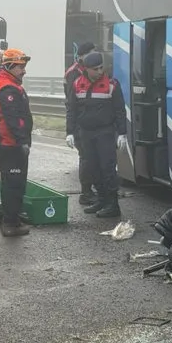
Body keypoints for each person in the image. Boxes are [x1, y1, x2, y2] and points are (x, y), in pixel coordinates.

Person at [66, 51, 127, 218]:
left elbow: (120, 110)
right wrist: (70, 132)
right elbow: (71, 109)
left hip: (105, 132)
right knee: (92, 167)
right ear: (87, 69)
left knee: (107, 168)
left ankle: (112, 204)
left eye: (101, 67)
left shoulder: (112, 84)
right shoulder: (78, 84)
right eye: (96, 69)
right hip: (85, 132)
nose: (100, 71)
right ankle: (101, 199)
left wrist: (122, 133)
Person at [0, 48, 33, 237]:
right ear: (9, 67)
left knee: (12, 182)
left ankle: (13, 218)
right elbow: (13, 119)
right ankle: (10, 223)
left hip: (8, 142)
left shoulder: (9, 83)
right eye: (20, 67)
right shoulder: (7, 88)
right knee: (14, 183)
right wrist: (23, 141)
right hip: (9, 144)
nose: (24, 70)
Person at [64, 42, 98, 205]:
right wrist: (70, 130)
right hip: (79, 121)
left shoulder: (86, 70)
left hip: (88, 120)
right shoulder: (74, 73)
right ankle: (85, 193)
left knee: (91, 157)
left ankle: (92, 189)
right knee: (86, 157)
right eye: (91, 53)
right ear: (83, 56)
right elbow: (73, 101)